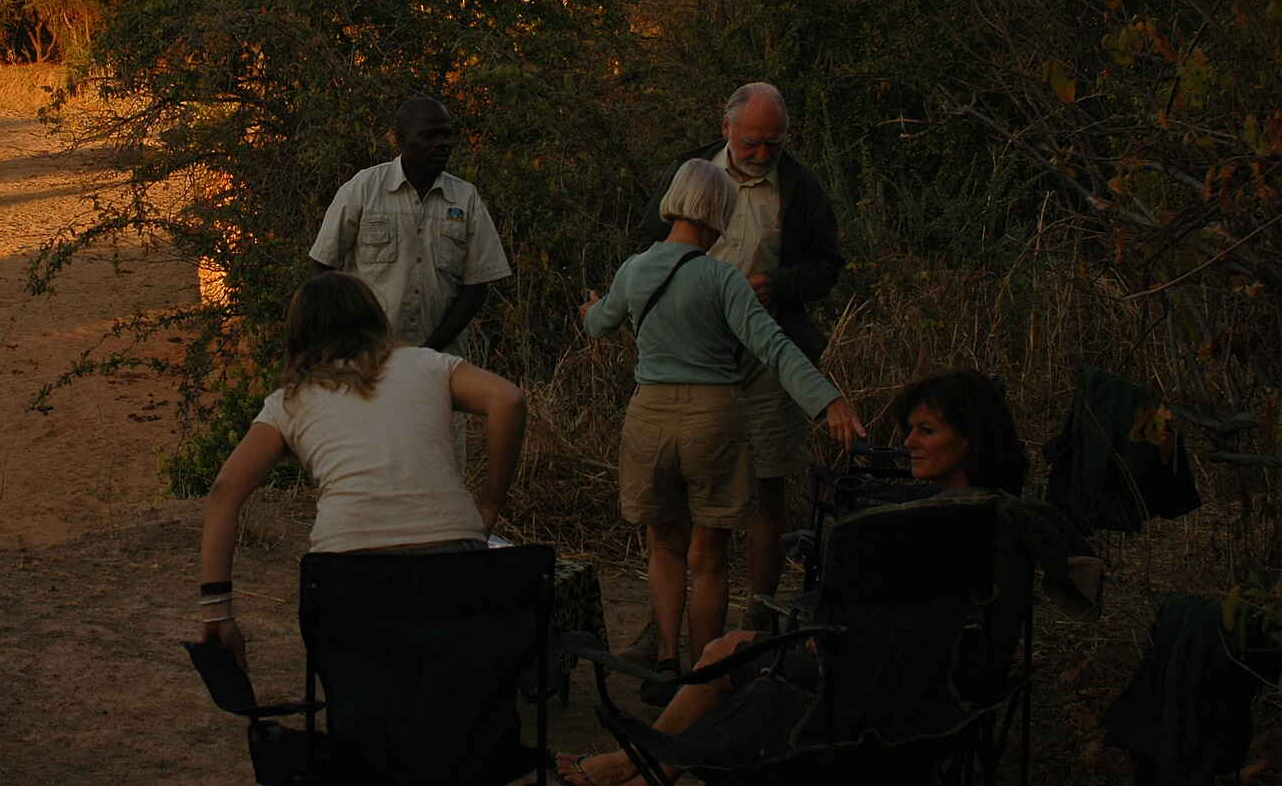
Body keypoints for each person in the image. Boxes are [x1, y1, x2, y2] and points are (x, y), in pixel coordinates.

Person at [554, 368, 1096, 786]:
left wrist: (829, 635)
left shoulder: (930, 527)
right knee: (733, 647)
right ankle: (644, 765)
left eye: (925, 431)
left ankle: (639, 765)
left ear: (970, 441)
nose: (907, 442)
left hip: (890, 698)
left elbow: (905, 629)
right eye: (909, 429)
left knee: (731, 655)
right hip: (940, 691)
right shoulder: (1001, 516)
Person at [581, 158, 863, 696]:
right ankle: (702, 678)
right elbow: (773, 347)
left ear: (675, 201)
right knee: (708, 558)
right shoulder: (723, 278)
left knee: (663, 544)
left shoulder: (636, 269)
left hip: (650, 416)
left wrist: (592, 307)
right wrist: (827, 401)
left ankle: (665, 659)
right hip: (715, 418)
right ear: (721, 213)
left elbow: (598, 326)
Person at [196, 271, 527, 672]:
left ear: (299, 332)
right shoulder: (428, 365)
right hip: (451, 562)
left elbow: (224, 492)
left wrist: (217, 610)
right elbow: (508, 400)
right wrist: (489, 505)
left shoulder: (289, 401)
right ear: (374, 316)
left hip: (346, 574)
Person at [638, 82, 844, 628]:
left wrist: (775, 286)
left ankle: (759, 615)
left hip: (766, 352)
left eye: (772, 144)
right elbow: (649, 247)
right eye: (752, 142)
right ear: (727, 127)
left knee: (767, 487)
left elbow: (828, 266)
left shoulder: (800, 187)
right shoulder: (692, 170)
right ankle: (663, 623)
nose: (760, 154)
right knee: (678, 499)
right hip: (693, 354)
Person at [308, 97, 512, 357]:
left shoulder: (466, 198)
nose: (442, 144)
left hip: (441, 359)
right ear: (400, 139)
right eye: (429, 136)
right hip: (369, 359)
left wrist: (429, 351)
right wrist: (349, 335)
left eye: (446, 135)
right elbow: (322, 265)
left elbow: (476, 286)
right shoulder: (363, 189)